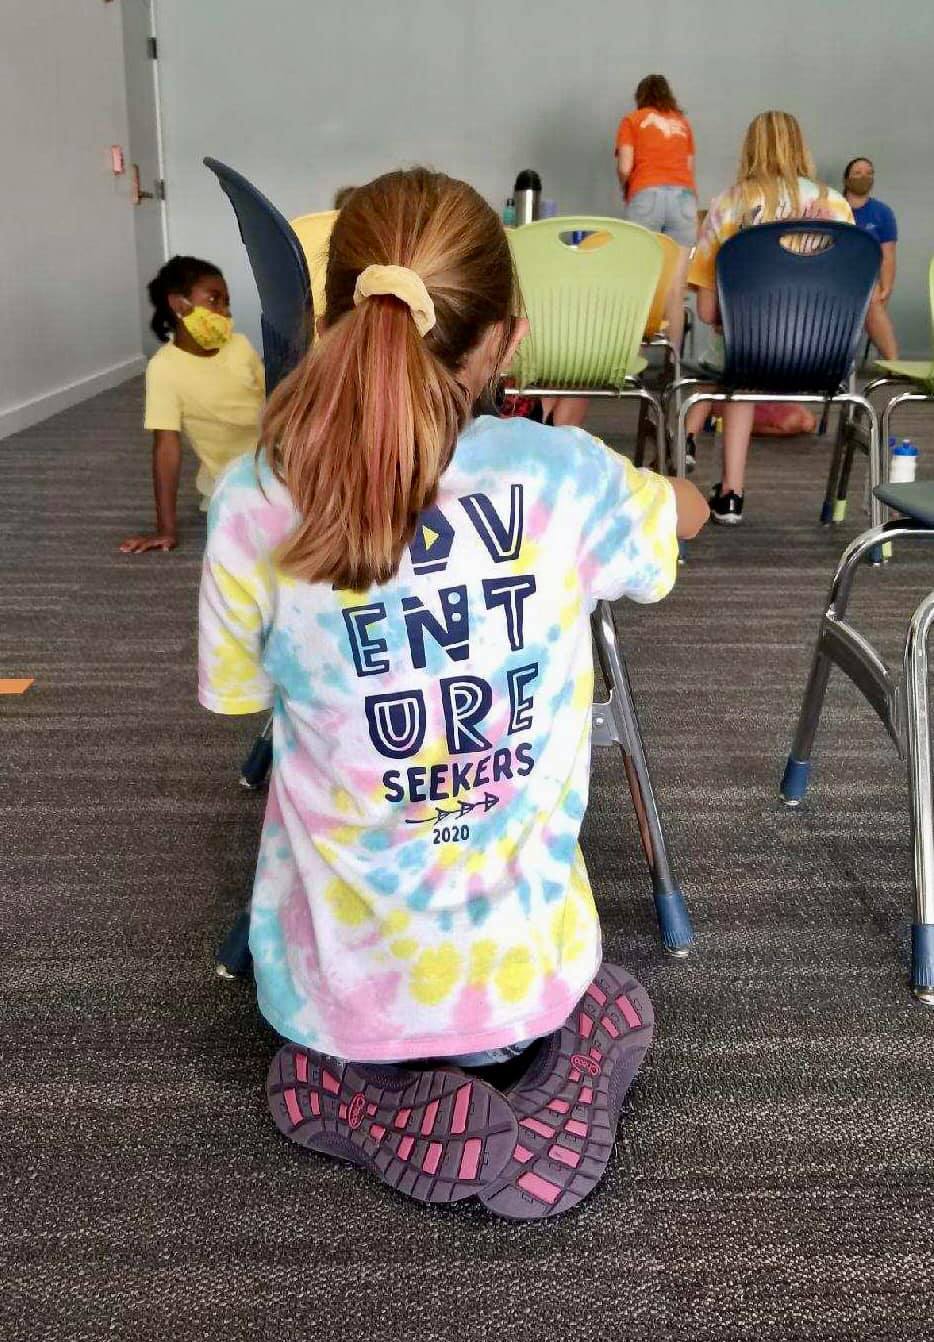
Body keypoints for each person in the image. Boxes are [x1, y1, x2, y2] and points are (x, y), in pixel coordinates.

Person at [198, 167, 708, 1218]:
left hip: (340, 996)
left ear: (331, 323)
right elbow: (680, 527)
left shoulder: (254, 497)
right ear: (507, 341)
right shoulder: (564, 476)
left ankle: (357, 1088)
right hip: (527, 973)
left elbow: (240, 693)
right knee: (565, 983)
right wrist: (673, 491)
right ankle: (552, 1052)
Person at [685, 111, 853, 525]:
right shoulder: (837, 205)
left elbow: (706, 311)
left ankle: (730, 494)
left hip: (749, 355)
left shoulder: (729, 205)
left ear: (749, 148)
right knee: (742, 363)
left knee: (738, 366)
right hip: (823, 356)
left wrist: (738, 321)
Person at [120, 257, 264, 554]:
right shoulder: (164, 368)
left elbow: (277, 402)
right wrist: (166, 529)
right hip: (235, 479)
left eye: (226, 302)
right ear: (179, 304)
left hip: (276, 459)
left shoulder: (241, 346)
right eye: (214, 300)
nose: (224, 311)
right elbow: (166, 447)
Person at [615, 74, 697, 351]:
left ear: (641, 96)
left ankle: (632, 359)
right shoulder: (682, 124)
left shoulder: (632, 120)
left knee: (639, 281)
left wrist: (627, 188)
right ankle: (673, 364)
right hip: (684, 198)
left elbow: (625, 167)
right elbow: (688, 167)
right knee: (676, 287)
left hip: (646, 195)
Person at [843, 157, 898, 361]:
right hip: (833, 275)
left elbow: (888, 255)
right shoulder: (832, 207)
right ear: (846, 179)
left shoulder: (882, 213)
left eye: (869, 173)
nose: (864, 177)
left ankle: (895, 366)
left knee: (872, 297)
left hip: (865, 279)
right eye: (857, 173)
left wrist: (886, 288)